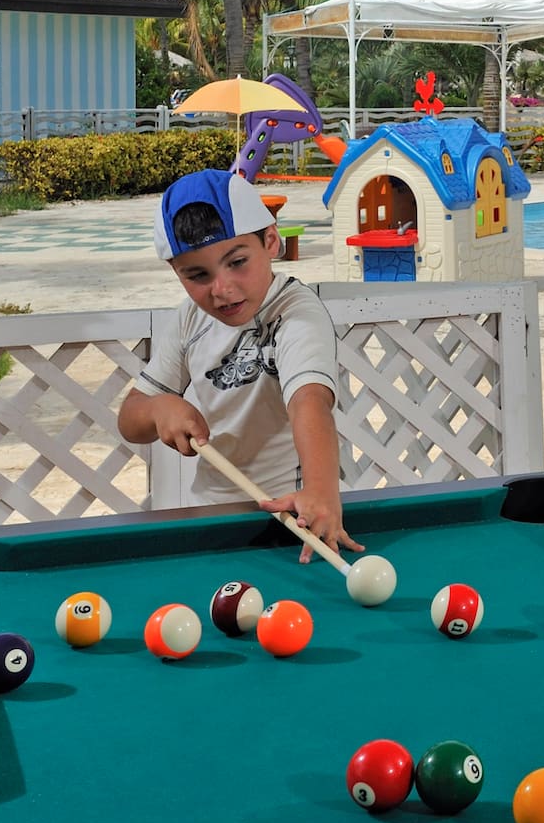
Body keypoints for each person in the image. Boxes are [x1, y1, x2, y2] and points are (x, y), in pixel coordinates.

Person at [118, 169, 362, 563]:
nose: (222, 289)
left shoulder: (297, 313)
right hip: (211, 520)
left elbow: (309, 401)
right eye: (198, 275)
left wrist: (320, 492)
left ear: (271, 240)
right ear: (176, 273)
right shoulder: (189, 320)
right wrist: (159, 407)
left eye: (237, 262)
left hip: (294, 519)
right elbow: (130, 419)